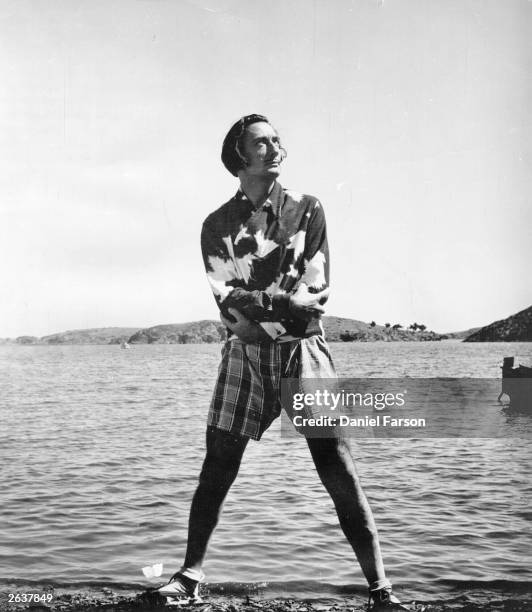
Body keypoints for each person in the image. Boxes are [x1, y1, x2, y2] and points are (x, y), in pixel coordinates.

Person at [158, 114, 409, 611]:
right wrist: (271, 309)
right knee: (218, 464)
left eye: (277, 141)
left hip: (304, 352)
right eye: (262, 142)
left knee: (337, 467)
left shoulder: (308, 210)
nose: (275, 148)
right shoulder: (217, 225)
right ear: (239, 157)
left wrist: (263, 310)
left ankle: (380, 589)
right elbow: (228, 306)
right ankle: (189, 577)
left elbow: (313, 296)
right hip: (243, 356)